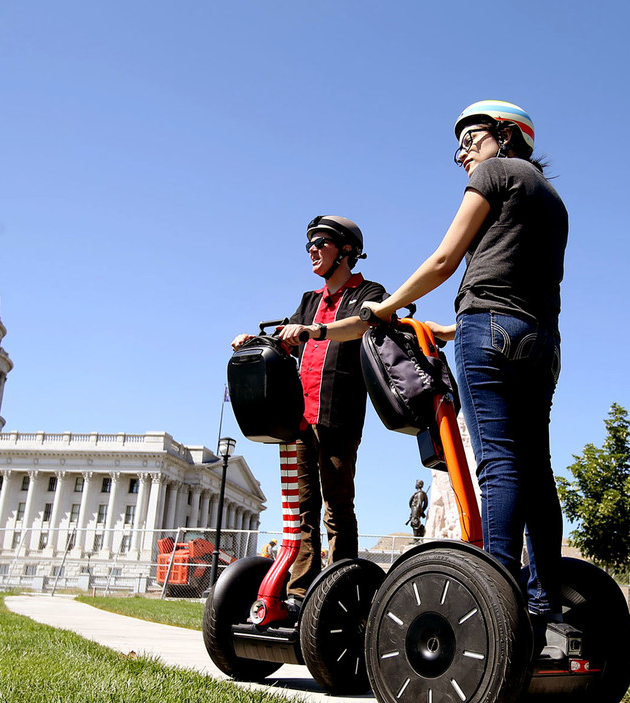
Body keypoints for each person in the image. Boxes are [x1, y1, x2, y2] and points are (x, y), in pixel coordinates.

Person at [360, 100, 570, 639]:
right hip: (541, 339)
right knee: (536, 470)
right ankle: (545, 602)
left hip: (490, 329)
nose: (462, 154)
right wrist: (454, 327)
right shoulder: (552, 198)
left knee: (498, 463)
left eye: (470, 139)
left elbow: (444, 260)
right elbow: (518, 277)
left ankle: (497, 595)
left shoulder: (496, 172)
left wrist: (388, 307)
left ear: (506, 134)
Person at [232, 216, 386, 605]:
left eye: (321, 243)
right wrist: (254, 340)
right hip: (300, 419)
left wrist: (313, 331)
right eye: (309, 245)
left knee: (337, 508)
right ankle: (300, 593)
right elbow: (287, 340)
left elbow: (362, 324)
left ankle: (344, 592)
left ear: (346, 251)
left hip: (340, 417)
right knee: (302, 510)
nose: (313, 250)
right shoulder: (310, 301)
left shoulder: (367, 291)